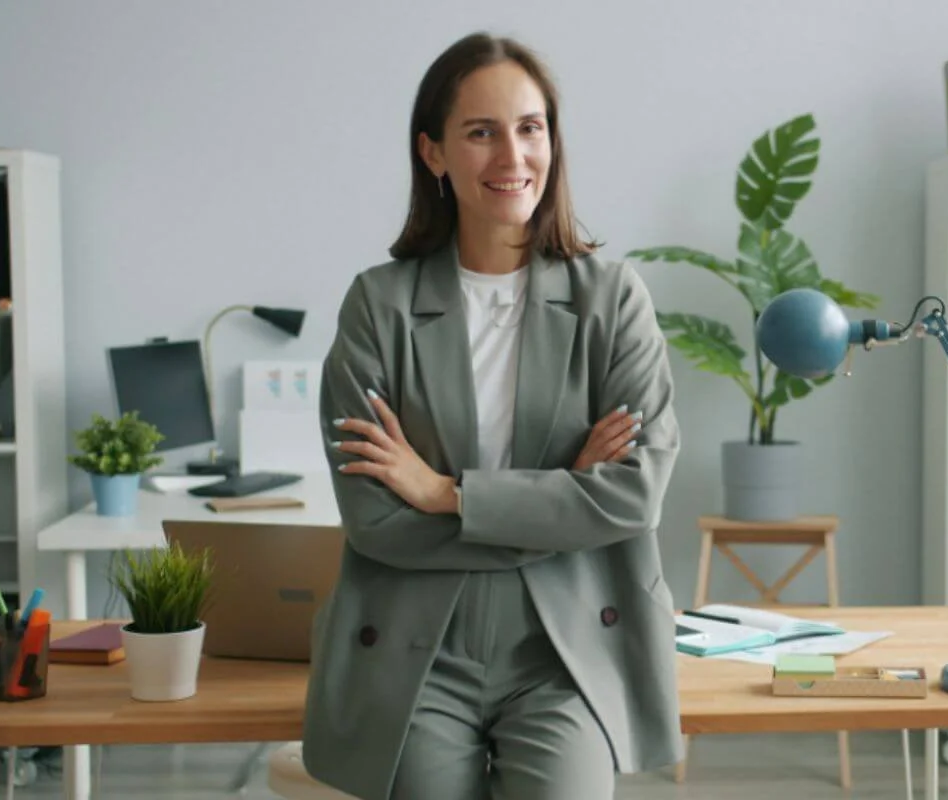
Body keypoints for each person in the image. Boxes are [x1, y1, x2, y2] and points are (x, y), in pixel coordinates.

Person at [303, 30, 681, 800]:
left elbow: (635, 495)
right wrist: (561, 500)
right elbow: (376, 519)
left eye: (529, 127)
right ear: (434, 152)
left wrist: (448, 493)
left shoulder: (612, 299)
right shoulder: (379, 306)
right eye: (481, 132)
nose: (513, 157)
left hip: (566, 655)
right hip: (420, 653)